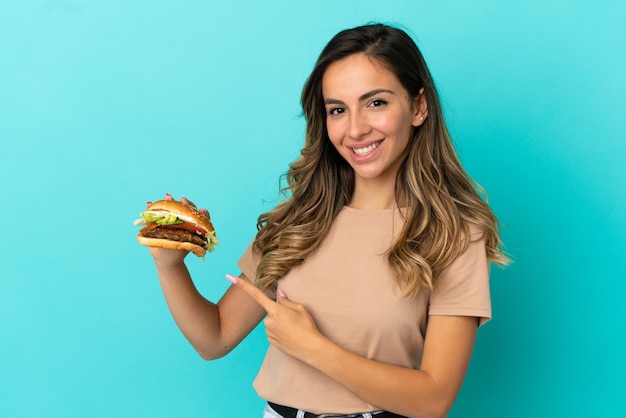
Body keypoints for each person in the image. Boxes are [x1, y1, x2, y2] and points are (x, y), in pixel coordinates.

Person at [144, 23, 509, 418]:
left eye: (376, 103)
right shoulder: (297, 222)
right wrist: (170, 266)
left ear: (418, 106)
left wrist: (313, 347)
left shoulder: (453, 234)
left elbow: (434, 398)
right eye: (338, 109)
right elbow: (213, 338)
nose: (355, 129)